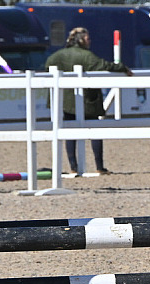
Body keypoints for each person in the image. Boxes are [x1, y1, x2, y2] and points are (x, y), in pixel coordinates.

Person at [45, 27, 132, 175]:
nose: (89, 41)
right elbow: (103, 65)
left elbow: (48, 66)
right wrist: (122, 68)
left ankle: (73, 166)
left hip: (65, 100)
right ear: (81, 40)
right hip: (86, 100)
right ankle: (99, 166)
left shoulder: (56, 55)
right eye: (87, 39)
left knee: (69, 133)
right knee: (94, 131)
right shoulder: (86, 55)